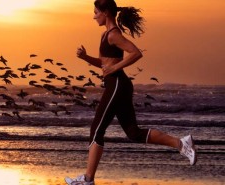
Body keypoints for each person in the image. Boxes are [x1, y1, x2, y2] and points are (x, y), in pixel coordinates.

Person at [64, 0, 197, 184]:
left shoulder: (113, 34)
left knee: (96, 130)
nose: (94, 16)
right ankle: (181, 144)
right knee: (133, 133)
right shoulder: (105, 35)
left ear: (106, 13)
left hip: (117, 84)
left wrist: (115, 68)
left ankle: (87, 180)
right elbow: (105, 64)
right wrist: (86, 57)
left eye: (96, 12)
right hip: (118, 85)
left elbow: (135, 52)